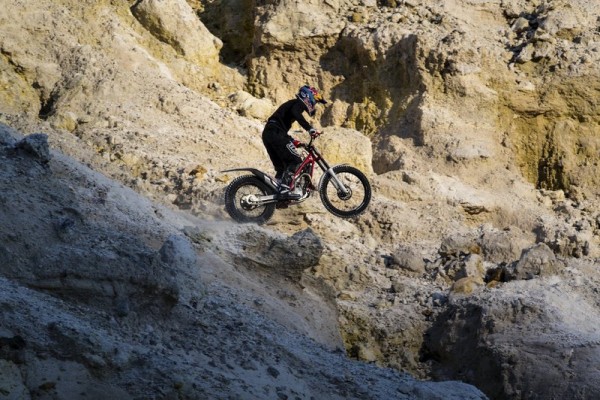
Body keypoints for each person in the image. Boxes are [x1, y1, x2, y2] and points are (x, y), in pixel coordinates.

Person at [262, 85, 327, 199]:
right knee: (295, 161)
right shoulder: (298, 104)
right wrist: (309, 128)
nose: (314, 104)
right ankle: (284, 190)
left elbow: (280, 127)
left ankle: (275, 192)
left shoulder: (292, 104)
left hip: (270, 133)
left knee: (282, 167)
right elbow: (296, 113)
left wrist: (292, 141)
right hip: (275, 133)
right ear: (308, 96)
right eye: (315, 100)